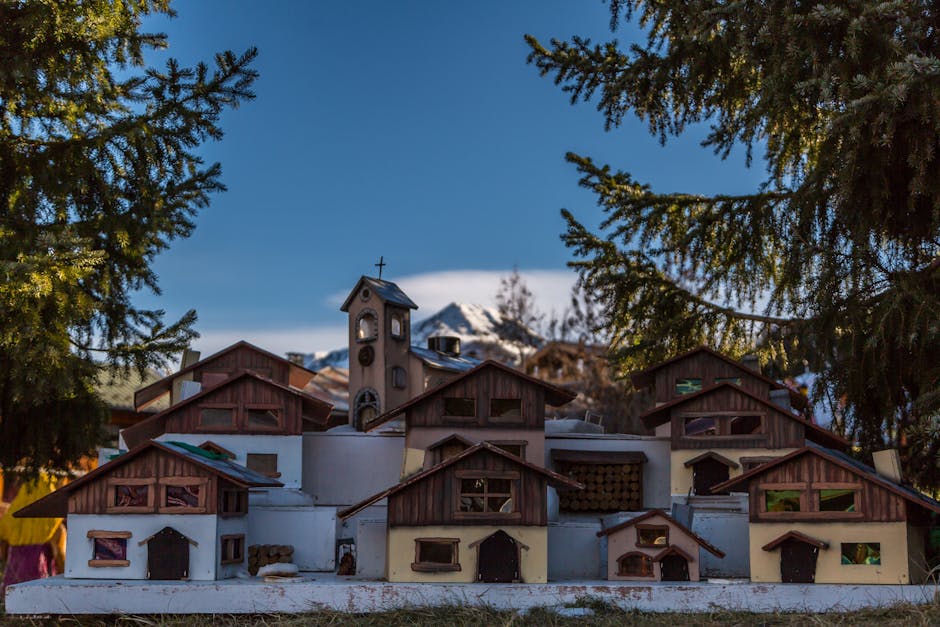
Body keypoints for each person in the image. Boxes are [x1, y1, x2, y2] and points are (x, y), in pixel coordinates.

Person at [0, 473, 66, 594]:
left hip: (12, 585)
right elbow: (60, 558)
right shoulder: (54, 524)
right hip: (40, 586)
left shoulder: (11, 517)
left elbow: (2, 549)